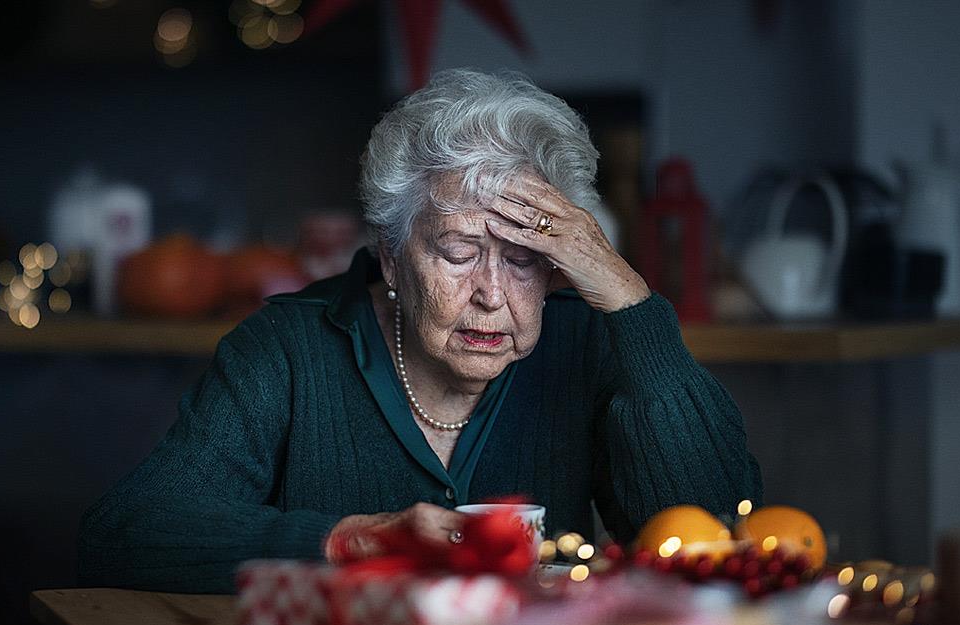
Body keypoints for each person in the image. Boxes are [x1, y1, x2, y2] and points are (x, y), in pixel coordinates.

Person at [78, 69, 762, 593]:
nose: (492, 294)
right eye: (459, 251)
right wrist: (353, 540)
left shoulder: (588, 340)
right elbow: (126, 535)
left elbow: (719, 536)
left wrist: (630, 301)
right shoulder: (288, 347)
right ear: (392, 254)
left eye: (524, 258)